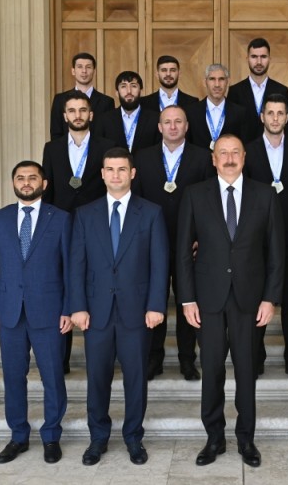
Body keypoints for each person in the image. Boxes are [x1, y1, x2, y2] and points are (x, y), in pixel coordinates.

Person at [176, 133, 285, 468]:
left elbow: (276, 253)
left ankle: (246, 439)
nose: (229, 158)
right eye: (222, 153)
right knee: (211, 370)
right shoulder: (195, 194)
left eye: (235, 152)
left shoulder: (265, 195)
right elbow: (182, 253)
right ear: (213, 159)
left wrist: (270, 298)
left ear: (244, 157)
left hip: (249, 299)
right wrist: (187, 299)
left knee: (246, 370)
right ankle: (214, 438)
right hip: (207, 298)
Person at [69, 147, 169, 466]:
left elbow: (159, 264)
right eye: (110, 169)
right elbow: (76, 265)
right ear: (102, 174)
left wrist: (156, 305)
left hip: (136, 312)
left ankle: (133, 438)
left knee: (135, 378)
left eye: (122, 169)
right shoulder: (85, 214)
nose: (116, 175)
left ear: (132, 173)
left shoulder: (151, 213)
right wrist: (77, 306)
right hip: (96, 311)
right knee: (97, 378)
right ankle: (98, 437)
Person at [0, 161, 72, 464]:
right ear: (13, 184)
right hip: (9, 312)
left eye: (33, 177)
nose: (26, 182)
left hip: (49, 311)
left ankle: (51, 436)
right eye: (20, 178)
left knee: (52, 377)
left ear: (44, 184)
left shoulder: (61, 219)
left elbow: (70, 269)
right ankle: (18, 436)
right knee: (13, 377)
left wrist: (69, 308)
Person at [132, 105, 215, 381]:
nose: (173, 126)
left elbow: (209, 201)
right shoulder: (142, 158)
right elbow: (136, 202)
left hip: (188, 244)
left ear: (187, 126)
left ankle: (187, 359)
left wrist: (201, 237)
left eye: (178, 121)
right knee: (154, 299)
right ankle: (153, 358)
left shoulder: (202, 157)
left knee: (187, 300)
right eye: (167, 122)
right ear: (159, 127)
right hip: (151, 243)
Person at [42, 90, 115, 374]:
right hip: (61, 226)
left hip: (97, 225)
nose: (77, 115)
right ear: (64, 116)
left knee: (97, 286)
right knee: (62, 288)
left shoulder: (106, 146)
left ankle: (103, 358)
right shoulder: (52, 148)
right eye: (72, 111)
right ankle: (61, 359)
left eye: (82, 110)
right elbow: (48, 191)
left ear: (91, 114)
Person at [244, 94, 288, 382]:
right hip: (257, 241)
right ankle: (256, 358)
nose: (274, 118)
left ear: (287, 118)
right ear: (262, 117)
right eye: (270, 113)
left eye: (280, 113)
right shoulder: (248, 150)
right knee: (257, 301)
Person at [227, 37, 288, 141]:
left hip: (273, 147)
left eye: (263, 57)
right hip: (243, 149)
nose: (259, 62)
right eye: (254, 57)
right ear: (247, 58)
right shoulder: (235, 91)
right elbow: (231, 126)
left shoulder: (281, 90)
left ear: (269, 59)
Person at [92, 71, 162, 153]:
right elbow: (99, 150)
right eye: (123, 86)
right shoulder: (104, 120)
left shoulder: (155, 119)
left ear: (141, 91)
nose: (129, 91)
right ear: (117, 93)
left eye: (134, 86)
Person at [50, 52, 115, 139]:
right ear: (73, 71)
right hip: (67, 147)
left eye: (88, 67)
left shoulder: (107, 102)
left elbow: (109, 135)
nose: (84, 71)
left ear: (94, 71)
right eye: (80, 67)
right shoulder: (59, 100)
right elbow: (56, 134)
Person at [185, 64, 246, 148]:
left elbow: (243, 146)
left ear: (227, 82)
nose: (217, 84)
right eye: (212, 79)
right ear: (205, 82)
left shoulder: (240, 113)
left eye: (221, 79)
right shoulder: (191, 112)